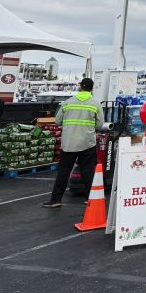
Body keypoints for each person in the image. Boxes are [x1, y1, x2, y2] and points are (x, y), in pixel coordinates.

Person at [43, 78, 101, 208]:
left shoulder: (67, 103)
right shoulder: (96, 104)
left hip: (69, 142)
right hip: (87, 142)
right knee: (88, 171)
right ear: (92, 88)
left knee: (64, 170)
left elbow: (57, 121)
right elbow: (99, 124)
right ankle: (90, 198)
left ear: (80, 87)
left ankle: (56, 199)